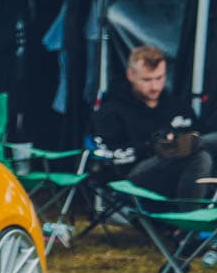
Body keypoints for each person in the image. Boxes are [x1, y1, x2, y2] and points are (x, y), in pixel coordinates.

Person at [91, 44, 217, 201]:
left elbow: (201, 133)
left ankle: (189, 211)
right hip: (132, 177)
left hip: (179, 176)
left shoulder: (176, 105)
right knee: (199, 152)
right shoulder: (112, 110)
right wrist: (152, 145)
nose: (154, 86)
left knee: (201, 154)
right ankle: (190, 216)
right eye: (147, 80)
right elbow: (106, 155)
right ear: (130, 75)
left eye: (160, 78)